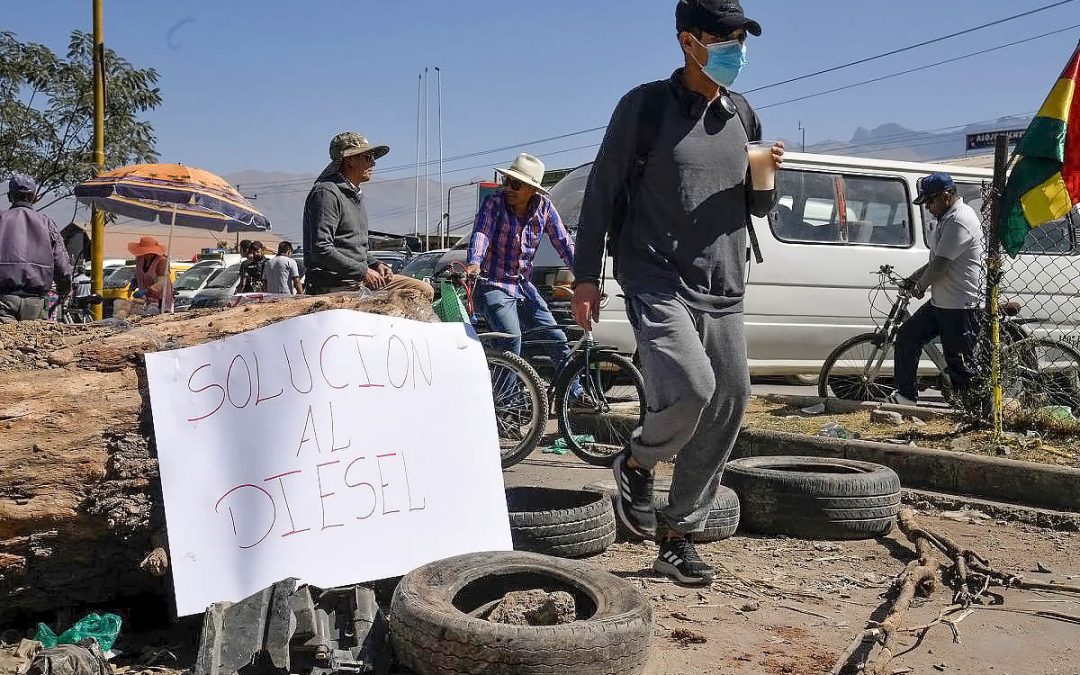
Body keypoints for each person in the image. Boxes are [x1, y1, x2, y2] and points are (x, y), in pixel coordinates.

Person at [571, 0, 783, 584]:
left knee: (729, 401)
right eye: (726, 40)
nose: (738, 52)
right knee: (692, 387)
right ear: (689, 42)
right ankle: (637, 460)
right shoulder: (644, 108)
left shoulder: (743, 114)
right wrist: (587, 274)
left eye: (743, 40)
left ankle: (677, 537)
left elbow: (756, 206)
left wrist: (767, 179)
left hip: (725, 283)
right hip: (656, 277)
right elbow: (601, 194)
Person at [465, 153, 580, 388]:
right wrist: (475, 261)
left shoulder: (544, 207)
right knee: (511, 338)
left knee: (556, 337)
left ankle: (576, 396)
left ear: (531, 190)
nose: (508, 188)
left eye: (515, 184)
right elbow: (481, 233)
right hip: (492, 283)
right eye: (506, 181)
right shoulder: (494, 203)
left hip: (522, 286)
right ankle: (504, 405)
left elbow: (563, 241)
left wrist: (583, 274)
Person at [302, 131, 434, 301]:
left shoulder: (353, 194)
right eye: (368, 157)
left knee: (423, 290)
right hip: (335, 284)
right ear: (349, 159)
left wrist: (376, 264)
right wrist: (363, 271)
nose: (373, 163)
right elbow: (321, 248)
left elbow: (356, 250)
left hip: (356, 280)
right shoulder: (327, 192)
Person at [890, 172, 984, 406]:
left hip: (960, 305)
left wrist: (921, 286)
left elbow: (942, 264)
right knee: (907, 336)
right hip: (941, 303)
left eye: (931, 201)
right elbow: (935, 259)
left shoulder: (961, 219)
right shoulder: (947, 218)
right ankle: (906, 397)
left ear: (946, 196)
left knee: (960, 365)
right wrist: (914, 277)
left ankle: (973, 413)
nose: (929, 207)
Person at [0, 174, 73, 323]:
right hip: (37, 303)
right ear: (34, 197)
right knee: (33, 344)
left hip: (3, 300)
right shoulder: (47, 224)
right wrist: (64, 289)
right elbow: (62, 266)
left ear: (9, 196)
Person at [128, 236, 170, 311]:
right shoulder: (140, 259)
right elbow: (138, 273)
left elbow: (161, 282)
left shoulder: (162, 262)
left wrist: (147, 290)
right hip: (144, 299)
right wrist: (134, 281)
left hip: (160, 300)